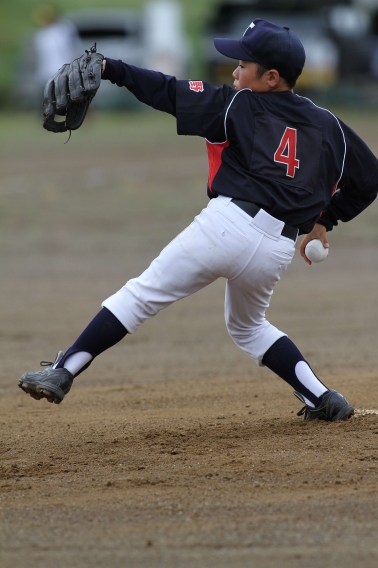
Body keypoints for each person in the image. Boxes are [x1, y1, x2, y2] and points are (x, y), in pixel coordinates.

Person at [18, 19, 378, 421]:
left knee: (140, 296)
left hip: (224, 227)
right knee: (248, 326)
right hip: (275, 249)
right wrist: (326, 220)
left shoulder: (237, 103)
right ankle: (323, 397)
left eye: (244, 65)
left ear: (272, 77)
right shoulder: (331, 126)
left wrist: (111, 68)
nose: (235, 72)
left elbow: (167, 91)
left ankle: (63, 370)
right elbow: (369, 180)